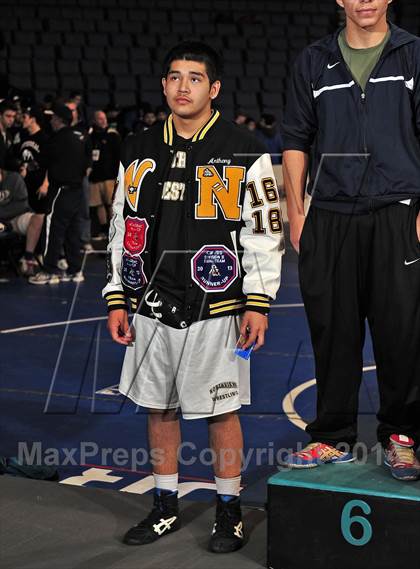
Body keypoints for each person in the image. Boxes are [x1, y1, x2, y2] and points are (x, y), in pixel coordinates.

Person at [104, 41, 284, 552]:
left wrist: (258, 300)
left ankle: (229, 512)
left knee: (220, 413)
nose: (183, 87)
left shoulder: (245, 148)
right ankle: (164, 507)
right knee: (159, 410)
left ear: (215, 88)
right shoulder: (137, 147)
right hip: (150, 305)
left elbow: (263, 232)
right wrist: (117, 295)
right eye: (175, 77)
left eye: (195, 78)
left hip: (218, 306)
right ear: (163, 85)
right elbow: (122, 228)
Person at [281, 0, 420, 481]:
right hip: (332, 215)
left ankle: (402, 434)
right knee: (333, 331)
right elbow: (296, 139)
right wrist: (297, 213)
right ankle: (331, 436)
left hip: (397, 214)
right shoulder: (313, 61)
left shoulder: (413, 56)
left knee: (401, 332)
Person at [28, 103, 90, 285]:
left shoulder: (56, 139)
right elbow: (86, 165)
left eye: (53, 118)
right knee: (73, 231)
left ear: (59, 120)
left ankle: (49, 271)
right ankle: (75, 270)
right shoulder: (81, 138)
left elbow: (43, 160)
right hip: (77, 191)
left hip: (61, 191)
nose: (51, 120)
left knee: (53, 230)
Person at [18, 105, 49, 275]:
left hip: (39, 187)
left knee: (39, 220)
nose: (22, 119)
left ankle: (37, 254)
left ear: (33, 119)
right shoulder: (23, 136)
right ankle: (30, 254)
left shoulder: (44, 138)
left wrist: (45, 184)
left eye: (25, 117)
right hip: (25, 187)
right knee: (30, 222)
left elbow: (50, 164)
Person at [87, 110, 121, 240]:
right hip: (95, 177)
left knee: (110, 204)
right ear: (94, 120)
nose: (103, 121)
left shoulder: (113, 135)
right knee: (98, 204)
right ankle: (103, 229)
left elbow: (119, 156)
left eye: (104, 118)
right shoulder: (90, 136)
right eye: (100, 119)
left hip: (110, 177)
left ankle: (114, 229)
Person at [0, 168, 39, 270]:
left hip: (16, 218)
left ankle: (28, 258)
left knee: (38, 219)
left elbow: (22, 206)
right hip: (2, 224)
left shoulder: (14, 179)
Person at [0, 100, 17, 170]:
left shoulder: (9, 135)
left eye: (13, 116)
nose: (12, 120)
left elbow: (9, 159)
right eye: (8, 116)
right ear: (0, 115)